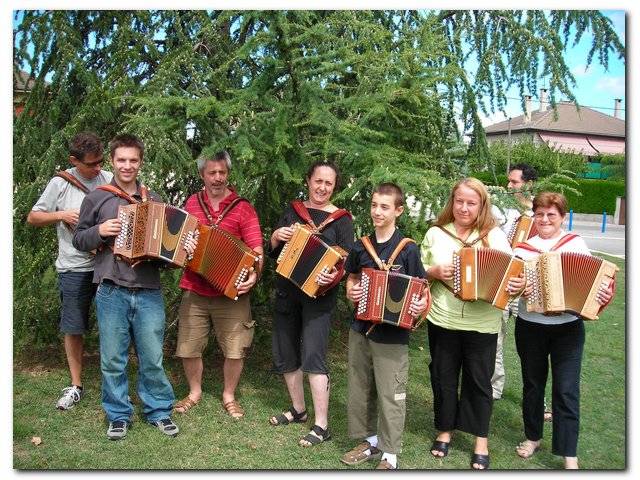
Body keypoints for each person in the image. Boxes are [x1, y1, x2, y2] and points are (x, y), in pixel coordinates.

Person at [73, 134, 181, 440]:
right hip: (111, 290)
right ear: (112, 161)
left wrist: (177, 249)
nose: (127, 166)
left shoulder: (154, 199)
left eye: (133, 160)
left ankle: (159, 411)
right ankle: (118, 414)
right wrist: (100, 230)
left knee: (152, 357)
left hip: (148, 289)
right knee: (112, 359)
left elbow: (165, 253)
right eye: (121, 160)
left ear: (141, 162)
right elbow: (80, 239)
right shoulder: (97, 198)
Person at [420, 177, 525, 470]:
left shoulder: (495, 237)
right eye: (459, 201)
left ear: (481, 205)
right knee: (443, 377)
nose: (464, 208)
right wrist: (434, 271)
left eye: (471, 202)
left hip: (483, 322)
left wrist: (516, 284)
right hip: (443, 318)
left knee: (479, 381)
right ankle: (444, 430)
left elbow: (511, 278)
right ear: (451, 202)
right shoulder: (436, 233)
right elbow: (417, 273)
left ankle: (480, 439)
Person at [513, 192, 614, 469]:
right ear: (534, 216)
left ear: (562, 217)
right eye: (540, 214)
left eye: (551, 214)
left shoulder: (576, 244)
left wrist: (603, 292)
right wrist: (521, 290)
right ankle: (533, 437)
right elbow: (511, 287)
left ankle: (569, 453)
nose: (545, 219)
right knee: (533, 385)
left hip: (568, 328)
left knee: (566, 389)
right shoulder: (523, 249)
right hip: (530, 326)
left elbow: (595, 282)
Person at [341, 183, 429, 470]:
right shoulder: (360, 245)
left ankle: (390, 453)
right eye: (374, 205)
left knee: (392, 393)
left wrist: (419, 308)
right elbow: (351, 278)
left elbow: (423, 292)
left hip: (393, 335)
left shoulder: (408, 250)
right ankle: (371, 440)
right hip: (361, 329)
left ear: (398, 211)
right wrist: (351, 291)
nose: (377, 211)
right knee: (361, 387)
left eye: (385, 207)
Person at [267, 160, 354, 447]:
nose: (322, 187)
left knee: (314, 357)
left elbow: (345, 261)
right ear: (308, 180)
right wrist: (276, 236)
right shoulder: (294, 211)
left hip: (319, 297)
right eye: (318, 181)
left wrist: (333, 272)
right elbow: (273, 251)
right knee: (286, 352)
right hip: (287, 291)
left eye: (328, 183)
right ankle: (298, 409)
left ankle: (322, 424)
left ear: (334, 186)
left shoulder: (341, 219)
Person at [174, 151, 264, 419]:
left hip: (231, 292)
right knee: (189, 346)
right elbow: (178, 243)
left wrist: (254, 274)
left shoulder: (242, 207)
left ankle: (228, 395)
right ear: (202, 175)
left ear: (228, 174)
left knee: (235, 348)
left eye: (222, 173)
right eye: (211, 173)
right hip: (194, 286)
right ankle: (194, 392)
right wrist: (185, 246)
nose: (217, 178)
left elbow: (257, 249)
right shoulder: (191, 203)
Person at [27, 132, 113, 410]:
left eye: (101, 161)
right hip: (73, 267)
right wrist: (61, 215)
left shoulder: (109, 179)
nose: (98, 168)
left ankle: (113, 382)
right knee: (74, 326)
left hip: (107, 265)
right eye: (92, 164)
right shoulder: (59, 184)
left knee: (113, 324)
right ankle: (76, 385)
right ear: (74, 161)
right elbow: (33, 216)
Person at [490, 163, 538, 401]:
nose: (508, 185)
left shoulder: (542, 213)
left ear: (528, 184)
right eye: (508, 181)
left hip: (528, 285)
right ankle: (494, 388)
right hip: (503, 280)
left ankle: (538, 397)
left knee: (532, 344)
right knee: (497, 335)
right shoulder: (502, 210)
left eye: (514, 182)